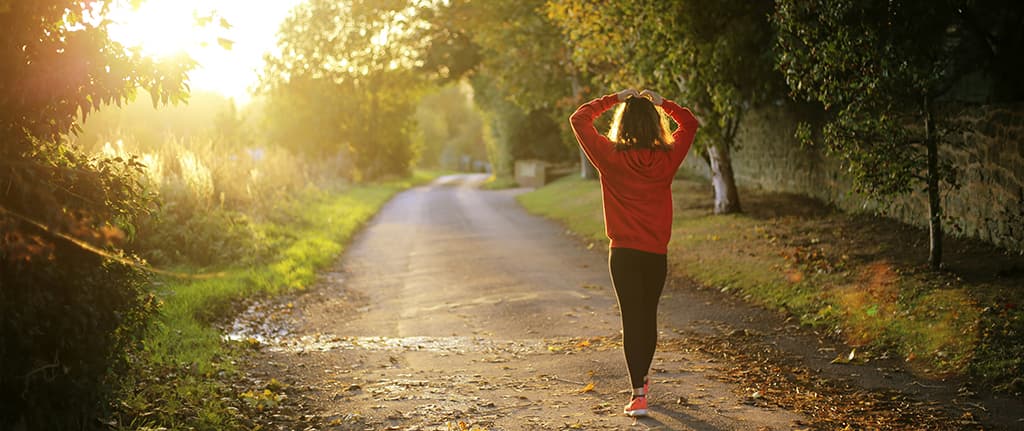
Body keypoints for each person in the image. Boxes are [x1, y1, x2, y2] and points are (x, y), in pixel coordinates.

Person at [569, 88, 700, 417]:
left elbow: (579, 119)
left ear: (622, 124)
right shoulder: (667, 158)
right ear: (655, 125)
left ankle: (638, 393)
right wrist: (663, 103)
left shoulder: (610, 157)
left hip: (624, 254)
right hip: (655, 254)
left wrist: (614, 98)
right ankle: (642, 382)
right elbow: (690, 123)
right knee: (648, 317)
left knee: (632, 319)